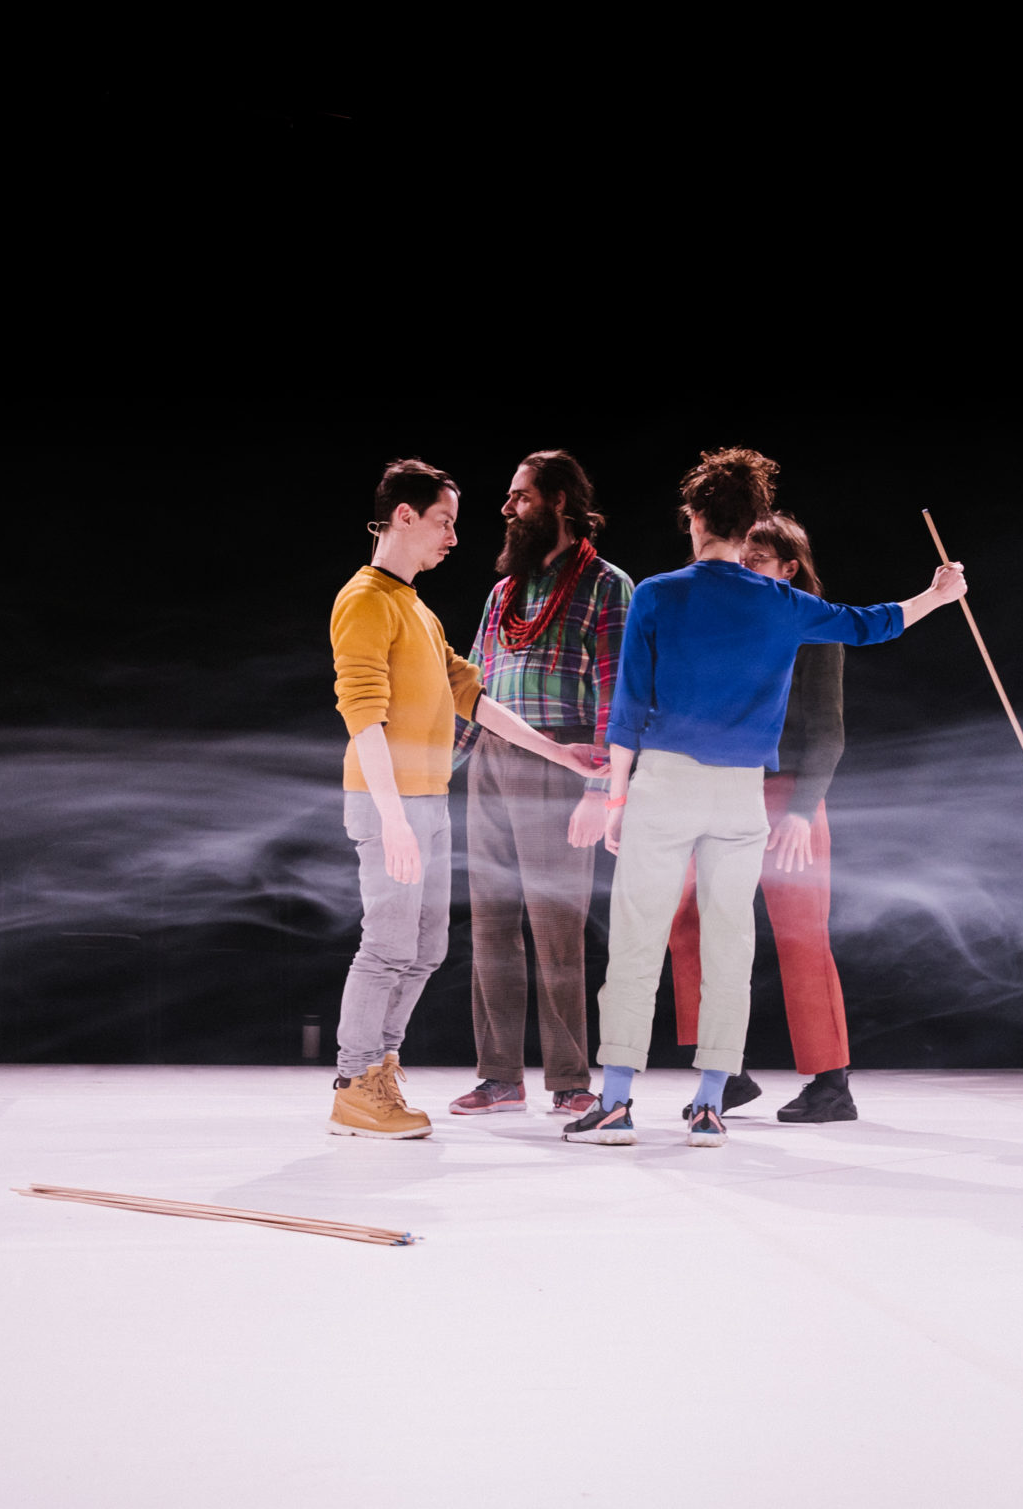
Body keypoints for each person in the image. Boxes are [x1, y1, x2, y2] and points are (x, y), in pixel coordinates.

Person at [565, 449, 965, 1148]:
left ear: (694, 518)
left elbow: (627, 709)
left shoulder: (657, 593)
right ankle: (709, 1107)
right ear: (751, 524)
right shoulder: (783, 604)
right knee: (730, 949)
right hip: (742, 795)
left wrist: (614, 797)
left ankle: (617, 1103)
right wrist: (937, 594)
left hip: (666, 783)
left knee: (636, 946)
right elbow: (871, 623)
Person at [328, 458, 600, 1139]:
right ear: (404, 517)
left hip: (427, 800)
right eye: (443, 522)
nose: (453, 537)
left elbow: (472, 694)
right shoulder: (364, 599)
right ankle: (353, 1083)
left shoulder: (415, 608)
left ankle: (380, 1069)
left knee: (424, 950)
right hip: (391, 802)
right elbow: (363, 716)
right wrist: (393, 817)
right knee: (386, 946)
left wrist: (560, 753)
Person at [449, 451, 633, 1120]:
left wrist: (599, 791)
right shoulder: (504, 592)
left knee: (557, 928)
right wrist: (434, 777)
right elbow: (471, 688)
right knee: (491, 923)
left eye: (520, 496)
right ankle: (499, 1075)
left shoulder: (607, 585)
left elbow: (616, 692)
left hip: (565, 761)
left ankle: (569, 1078)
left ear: (558, 501)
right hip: (492, 764)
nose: (507, 508)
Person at [665, 511, 862, 1124]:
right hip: (723, 790)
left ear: (789, 568)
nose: (742, 569)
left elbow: (828, 732)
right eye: (740, 559)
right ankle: (724, 1072)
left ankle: (831, 1084)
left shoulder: (815, 626)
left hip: (788, 796)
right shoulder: (725, 625)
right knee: (687, 919)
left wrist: (802, 812)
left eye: (756, 561)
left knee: (801, 931)